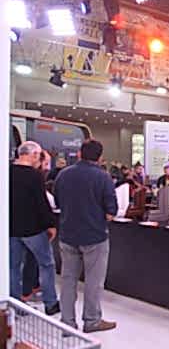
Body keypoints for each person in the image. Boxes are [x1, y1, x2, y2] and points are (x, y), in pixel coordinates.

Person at [55, 140, 118, 332]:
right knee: (93, 281)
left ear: (80, 154)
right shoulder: (103, 177)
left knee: (68, 280)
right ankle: (92, 321)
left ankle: (67, 322)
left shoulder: (63, 174)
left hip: (67, 234)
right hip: (94, 236)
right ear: (100, 157)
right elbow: (111, 211)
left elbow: (58, 202)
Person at [10, 141, 60, 315]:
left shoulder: (6, 171)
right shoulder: (34, 176)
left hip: (11, 229)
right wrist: (51, 224)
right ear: (33, 155)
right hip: (33, 230)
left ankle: (16, 306)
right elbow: (41, 203)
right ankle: (50, 303)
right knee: (46, 264)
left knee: (13, 268)